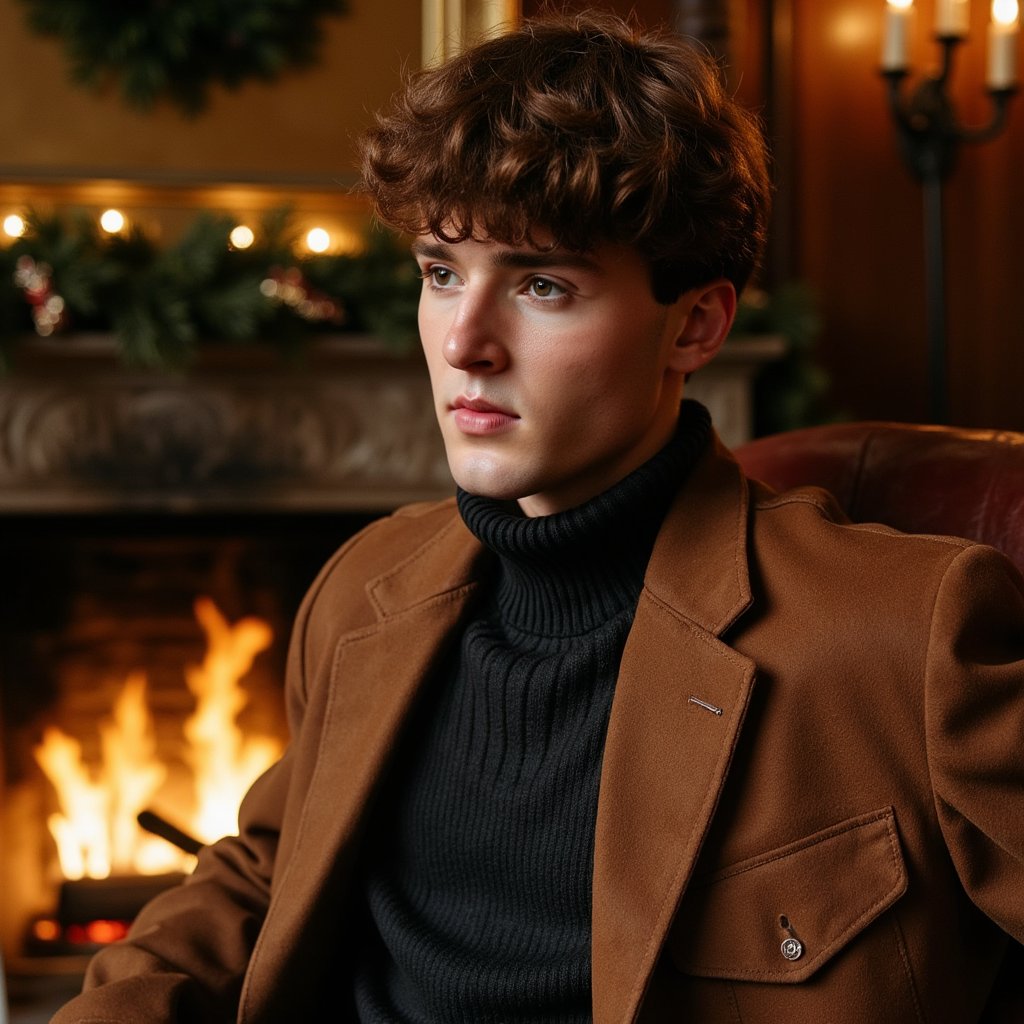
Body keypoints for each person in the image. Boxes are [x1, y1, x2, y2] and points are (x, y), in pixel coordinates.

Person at [54, 12, 1024, 1024]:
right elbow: (266, 873)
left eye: (542, 284)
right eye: (440, 272)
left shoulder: (902, 636)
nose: (464, 341)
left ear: (694, 323)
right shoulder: (365, 584)